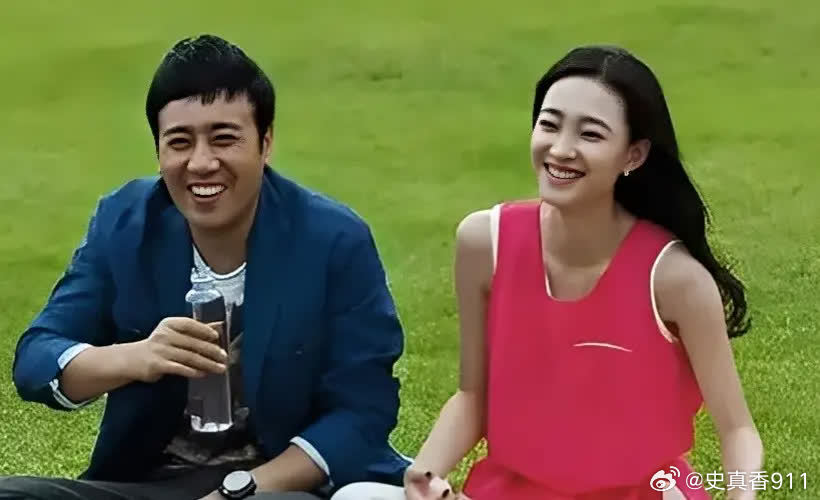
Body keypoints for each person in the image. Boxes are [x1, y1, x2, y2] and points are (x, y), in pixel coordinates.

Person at [330, 45, 763, 500]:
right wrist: (426, 470)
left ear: (633, 155)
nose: (560, 149)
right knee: (355, 497)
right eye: (549, 124)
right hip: (510, 492)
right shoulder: (484, 243)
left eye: (590, 134)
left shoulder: (674, 278)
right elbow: (473, 397)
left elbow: (737, 431)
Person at [1, 34, 410, 500]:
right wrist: (136, 357)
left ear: (266, 143)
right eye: (179, 142)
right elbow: (37, 358)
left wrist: (237, 492)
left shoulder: (333, 240)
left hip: (276, 486)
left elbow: (363, 412)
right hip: (149, 484)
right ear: (158, 150)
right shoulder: (125, 222)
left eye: (224, 138)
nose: (200, 163)